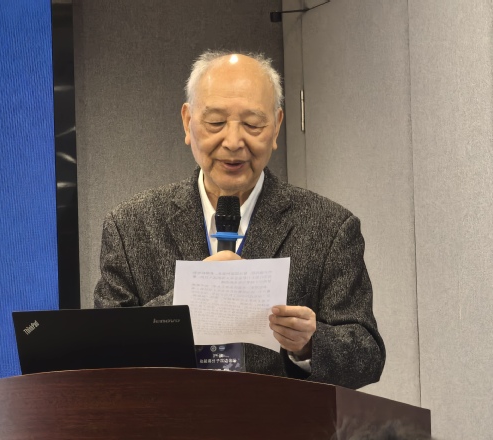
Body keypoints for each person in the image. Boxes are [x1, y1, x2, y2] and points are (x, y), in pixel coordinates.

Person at [94, 50, 385, 389]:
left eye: (252, 125)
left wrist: (309, 344)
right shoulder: (131, 226)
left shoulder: (330, 227)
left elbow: (367, 357)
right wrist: (186, 301)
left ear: (276, 127)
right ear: (188, 122)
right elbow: (102, 351)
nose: (233, 142)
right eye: (216, 123)